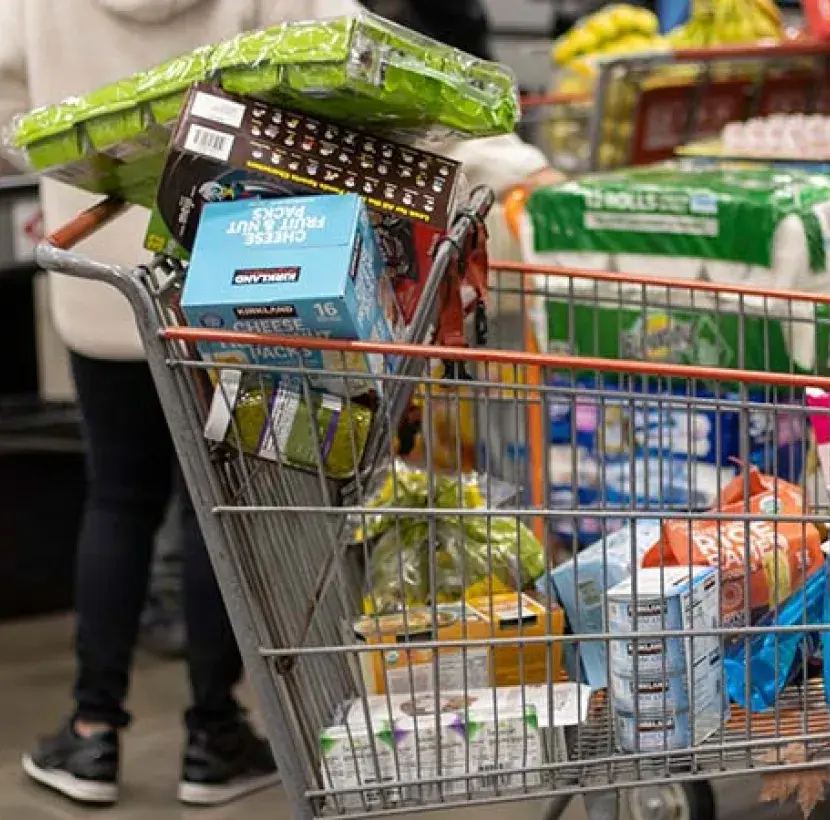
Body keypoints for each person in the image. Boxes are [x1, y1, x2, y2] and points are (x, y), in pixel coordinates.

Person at [0, 0, 556, 810]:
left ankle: (91, 736)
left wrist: (107, 158)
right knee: (218, 508)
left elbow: (16, 118)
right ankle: (211, 734)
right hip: (240, 276)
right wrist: (509, 162)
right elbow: (368, 66)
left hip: (99, 278)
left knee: (116, 496)